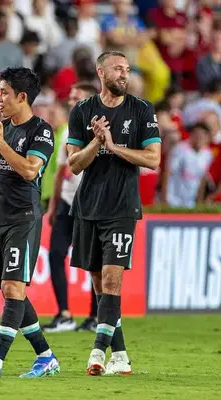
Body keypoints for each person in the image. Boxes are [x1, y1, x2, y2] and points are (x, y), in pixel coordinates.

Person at [67, 51, 161, 376]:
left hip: (122, 207)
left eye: (127, 69)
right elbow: (74, 164)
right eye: (118, 68)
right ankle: (119, 354)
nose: (124, 73)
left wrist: (113, 144)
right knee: (99, 284)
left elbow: (153, 159)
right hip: (88, 206)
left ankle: (97, 352)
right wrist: (96, 142)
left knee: (111, 278)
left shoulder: (141, 109)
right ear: (101, 72)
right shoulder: (81, 110)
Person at [0, 67, 60, 379]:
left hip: (24, 217)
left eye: (4, 93)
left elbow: (29, 171)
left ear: (22, 97)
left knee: (12, 287)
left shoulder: (41, 131)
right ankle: (46, 355)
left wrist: (0, 144)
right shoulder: (2, 129)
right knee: (13, 291)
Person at [43, 81, 99, 333]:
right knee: (55, 254)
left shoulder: (102, 130)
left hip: (91, 204)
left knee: (93, 261)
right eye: (70, 97)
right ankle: (64, 314)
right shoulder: (68, 131)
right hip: (68, 200)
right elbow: (60, 173)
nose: (70, 102)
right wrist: (54, 207)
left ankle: (96, 316)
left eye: (76, 98)